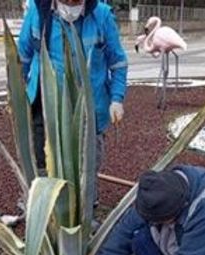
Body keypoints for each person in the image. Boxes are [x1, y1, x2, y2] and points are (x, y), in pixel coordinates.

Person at [18, 0, 128, 177]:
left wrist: (117, 99)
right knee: (44, 161)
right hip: (46, 107)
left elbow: (118, 62)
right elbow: (22, 56)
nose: (70, 3)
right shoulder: (38, 11)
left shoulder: (101, 15)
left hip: (90, 107)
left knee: (87, 165)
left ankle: (88, 201)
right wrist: (17, 94)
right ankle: (42, 198)